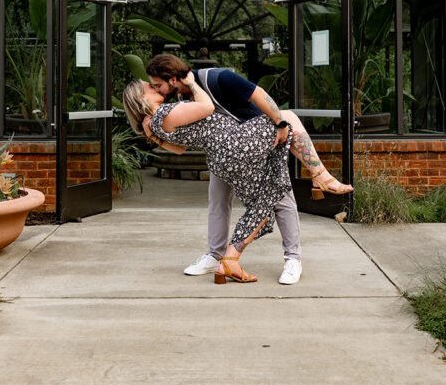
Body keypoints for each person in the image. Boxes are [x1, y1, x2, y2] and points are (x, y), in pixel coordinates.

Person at [144, 54, 352, 284]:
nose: (159, 91)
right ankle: (216, 255)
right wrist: (157, 136)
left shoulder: (218, 78)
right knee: (218, 202)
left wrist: (279, 123)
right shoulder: (182, 95)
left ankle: (293, 259)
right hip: (224, 155)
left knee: (281, 199)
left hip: (255, 141)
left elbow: (259, 94)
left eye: (158, 85)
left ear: (173, 79)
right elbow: (183, 144)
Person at [123, 74, 293, 283]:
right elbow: (207, 107)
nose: (156, 88)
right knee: (285, 120)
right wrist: (192, 82)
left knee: (262, 206)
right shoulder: (165, 113)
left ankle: (229, 259)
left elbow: (178, 149)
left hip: (220, 160)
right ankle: (319, 176)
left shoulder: (151, 126)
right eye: (150, 86)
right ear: (141, 97)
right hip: (235, 146)